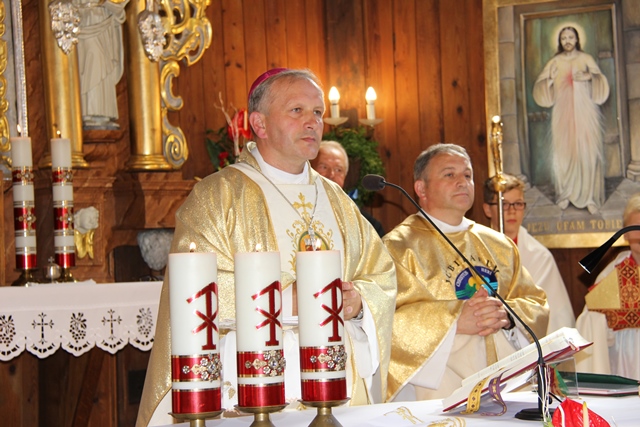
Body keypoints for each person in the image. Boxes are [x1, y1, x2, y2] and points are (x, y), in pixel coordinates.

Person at [136, 69, 397, 426]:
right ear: (259, 124)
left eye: (318, 112)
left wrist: (360, 302)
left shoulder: (337, 200)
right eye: (297, 111)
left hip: (337, 377)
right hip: (252, 380)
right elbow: (193, 292)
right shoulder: (218, 196)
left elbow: (380, 273)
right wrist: (282, 300)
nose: (312, 122)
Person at [382, 143, 548, 401]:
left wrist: (507, 314)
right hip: (439, 388)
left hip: (508, 383)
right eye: (450, 174)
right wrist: (453, 321)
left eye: (467, 175)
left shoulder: (499, 244)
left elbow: (535, 303)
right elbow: (382, 319)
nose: (463, 182)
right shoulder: (398, 247)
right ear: (421, 189)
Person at [482, 173, 575, 335]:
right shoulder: (476, 250)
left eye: (518, 204)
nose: (512, 211)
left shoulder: (540, 257)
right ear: (488, 209)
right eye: (504, 204)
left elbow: (555, 313)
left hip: (527, 338)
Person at [533, 26, 609, 215]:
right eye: (564, 38)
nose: (567, 41)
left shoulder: (586, 58)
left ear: (577, 40)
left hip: (585, 112)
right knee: (564, 153)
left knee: (587, 152)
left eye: (571, 37)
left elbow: (600, 80)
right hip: (562, 113)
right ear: (560, 41)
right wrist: (549, 80)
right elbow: (541, 86)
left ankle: (590, 198)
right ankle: (565, 195)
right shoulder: (555, 61)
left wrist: (589, 76)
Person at [576, 193, 640, 380]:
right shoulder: (613, 273)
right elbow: (589, 321)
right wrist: (609, 320)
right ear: (625, 233)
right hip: (624, 364)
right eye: (636, 226)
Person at [311, 140, 386, 237]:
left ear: (345, 177)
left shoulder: (367, 226)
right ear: (310, 170)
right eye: (324, 167)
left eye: (338, 170)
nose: (331, 175)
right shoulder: (299, 211)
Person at [75, 0, 128, 129]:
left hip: (105, 20)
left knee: (104, 66)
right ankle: (88, 112)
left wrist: (109, 4)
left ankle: (104, 114)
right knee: (92, 61)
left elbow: (118, 7)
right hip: (86, 20)